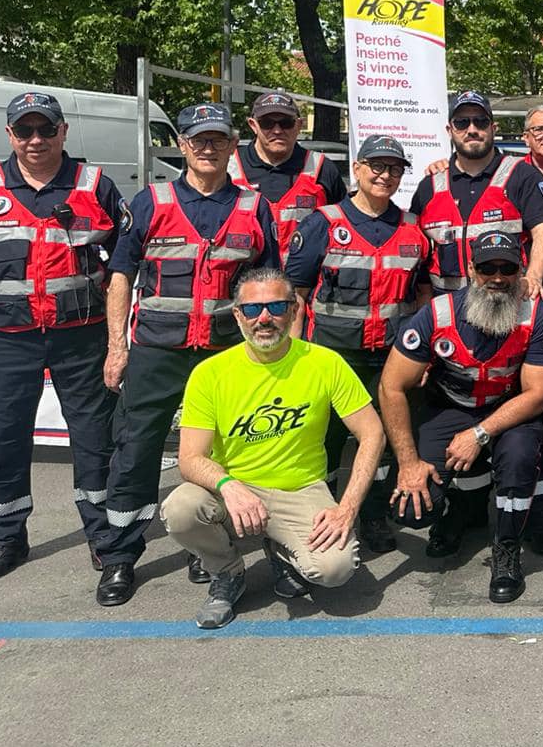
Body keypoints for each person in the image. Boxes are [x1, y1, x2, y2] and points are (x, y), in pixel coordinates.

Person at [94, 101, 280, 606]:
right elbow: (120, 277)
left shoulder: (253, 208)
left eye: (217, 138)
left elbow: (267, 287)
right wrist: (117, 348)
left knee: (224, 452)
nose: (207, 147)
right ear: (182, 145)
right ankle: (119, 556)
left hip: (225, 354)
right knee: (135, 451)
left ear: (232, 145)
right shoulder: (151, 202)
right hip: (157, 349)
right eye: (198, 139)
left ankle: (208, 544)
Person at [161, 268, 385, 628]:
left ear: (295, 310)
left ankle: (282, 550)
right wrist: (229, 486)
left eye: (276, 307)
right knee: (180, 509)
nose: (264, 318)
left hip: (300, 488)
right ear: (238, 315)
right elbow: (189, 459)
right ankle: (227, 572)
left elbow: (372, 434)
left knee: (334, 569)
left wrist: (347, 508)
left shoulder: (325, 363)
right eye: (252, 309)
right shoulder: (210, 373)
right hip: (235, 488)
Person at [378, 231, 543, 603]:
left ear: (520, 271)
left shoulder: (539, 315)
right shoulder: (437, 313)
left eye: (508, 268)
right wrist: (409, 463)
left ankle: (507, 548)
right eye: (488, 268)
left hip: (508, 410)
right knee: (411, 510)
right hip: (450, 406)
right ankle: (463, 511)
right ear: (471, 270)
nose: (498, 277)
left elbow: (538, 394)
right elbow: (391, 386)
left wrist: (479, 434)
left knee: (519, 457)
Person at [0, 91, 127, 582]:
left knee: (95, 442)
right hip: (6, 340)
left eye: (46, 128)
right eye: (25, 130)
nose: (36, 139)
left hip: (81, 339)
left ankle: (105, 539)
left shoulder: (95, 186)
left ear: (63, 131)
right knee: (1, 440)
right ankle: (5, 535)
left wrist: (118, 344)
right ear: (10, 134)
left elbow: (124, 265)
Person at [286, 135, 430, 556]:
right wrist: (291, 360)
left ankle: (372, 515)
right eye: (377, 166)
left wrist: (422, 356)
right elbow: (296, 296)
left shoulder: (413, 227)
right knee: (324, 441)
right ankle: (319, 515)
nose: (385, 175)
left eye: (394, 169)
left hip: (389, 360)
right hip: (331, 358)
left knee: (382, 441)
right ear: (357, 169)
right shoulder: (323, 224)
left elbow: (422, 295)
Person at [410, 90, 543, 295]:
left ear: (493, 128)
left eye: (480, 122)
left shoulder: (521, 175)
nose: (472, 129)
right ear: (449, 130)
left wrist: (534, 276)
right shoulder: (430, 185)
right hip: (447, 304)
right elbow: (417, 246)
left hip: (505, 300)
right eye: (462, 123)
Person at [228, 89, 346, 252]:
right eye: (267, 123)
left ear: (299, 125)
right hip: (248, 269)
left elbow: (344, 226)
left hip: (304, 269)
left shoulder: (322, 169)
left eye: (286, 123)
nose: (277, 130)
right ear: (253, 125)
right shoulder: (228, 168)